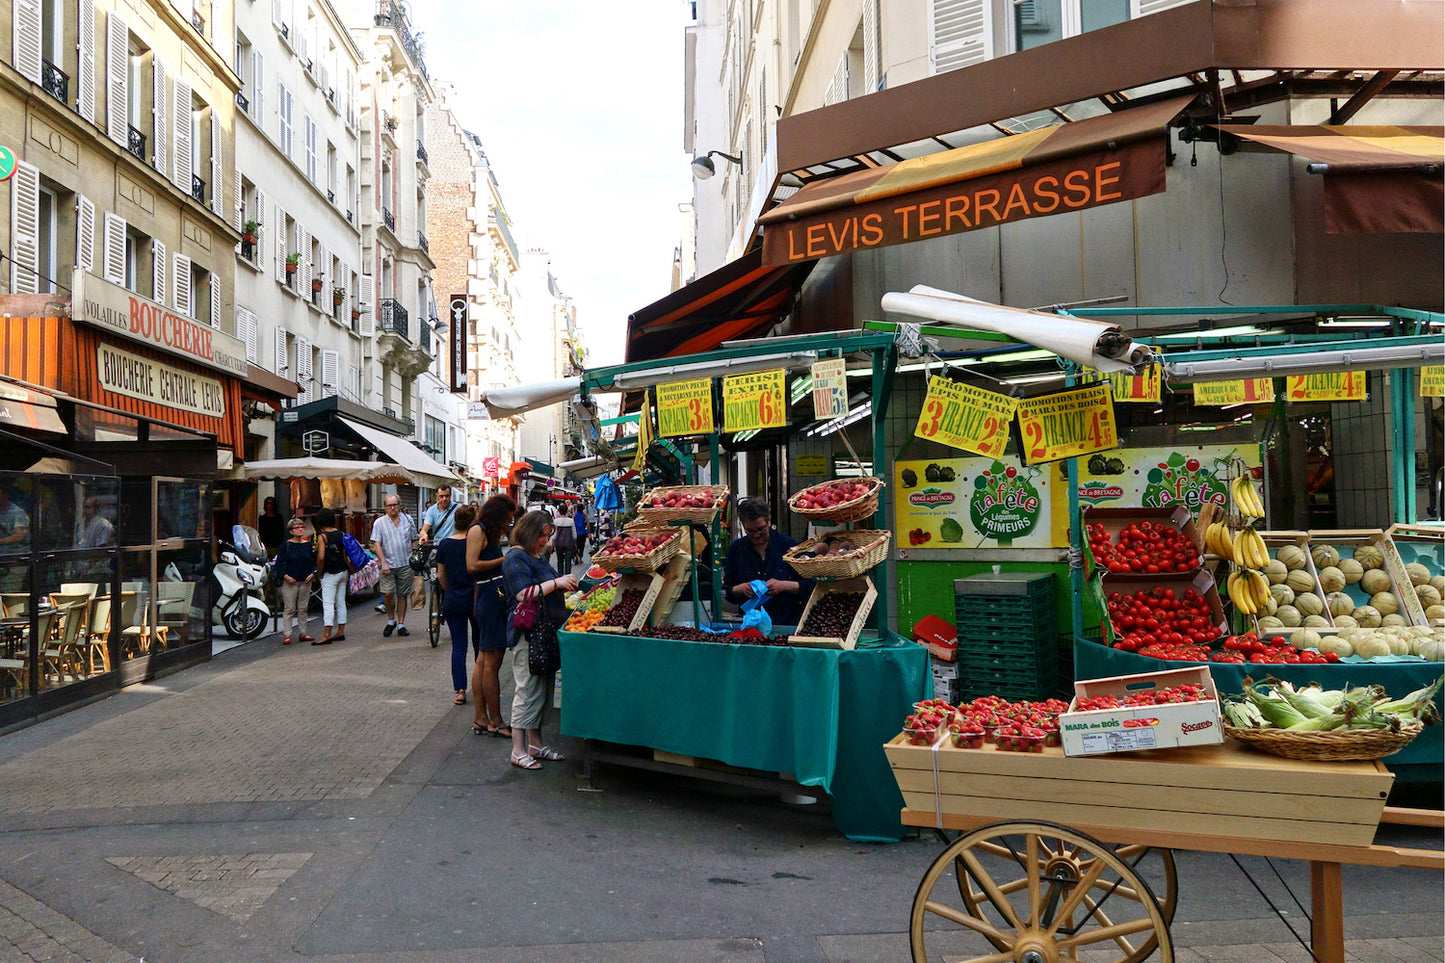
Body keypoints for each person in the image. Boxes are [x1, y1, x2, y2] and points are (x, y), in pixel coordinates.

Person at [502, 509, 576, 770]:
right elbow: (524, 594)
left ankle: (535, 744)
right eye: (543, 536)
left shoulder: (536, 555)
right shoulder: (514, 558)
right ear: (530, 532)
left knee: (543, 690)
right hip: (527, 633)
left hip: (543, 632)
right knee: (527, 689)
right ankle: (517, 749)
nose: (546, 541)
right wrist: (557, 583)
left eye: (547, 536)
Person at [467, 493, 516, 738]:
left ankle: (481, 718)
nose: (508, 524)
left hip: (491, 595)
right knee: (491, 662)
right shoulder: (478, 530)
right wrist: (502, 560)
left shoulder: (489, 531)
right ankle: (495, 720)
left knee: (484, 660)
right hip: (487, 595)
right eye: (506, 519)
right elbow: (472, 565)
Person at [723, 497, 812, 628]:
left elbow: (809, 586)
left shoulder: (789, 546)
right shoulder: (736, 550)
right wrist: (740, 589)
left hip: (787, 624)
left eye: (761, 529)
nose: (756, 535)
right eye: (750, 531)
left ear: (769, 521)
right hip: (751, 627)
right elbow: (729, 591)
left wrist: (784, 585)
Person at [436, 503, 479, 705]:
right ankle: (480, 684)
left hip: (453, 599)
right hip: (475, 599)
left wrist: (449, 590)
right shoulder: (476, 543)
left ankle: (460, 690)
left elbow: (440, 575)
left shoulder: (444, 544)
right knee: (479, 644)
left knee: (458, 646)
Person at [370, 495, 418, 637]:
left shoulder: (408, 519)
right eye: (389, 505)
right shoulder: (379, 523)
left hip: (405, 563)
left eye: (395, 505)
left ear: (399, 505)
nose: (392, 508)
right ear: (385, 507)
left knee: (402, 595)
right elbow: (376, 543)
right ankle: (391, 620)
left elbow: (413, 539)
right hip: (388, 565)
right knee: (389, 593)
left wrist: (414, 556)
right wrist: (383, 562)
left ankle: (401, 624)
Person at [273, 517, 316, 644]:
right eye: (297, 528)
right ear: (291, 531)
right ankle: (287, 634)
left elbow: (313, 562)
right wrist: (285, 576)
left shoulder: (308, 545)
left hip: (305, 580)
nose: (300, 529)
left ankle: (303, 632)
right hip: (290, 581)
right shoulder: (286, 545)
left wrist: (312, 573)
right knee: (289, 608)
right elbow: (279, 563)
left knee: (303, 607)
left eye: (302, 527)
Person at [312, 508, 350, 645]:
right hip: (343, 571)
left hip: (330, 573)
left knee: (328, 604)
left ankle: (326, 634)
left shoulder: (322, 537)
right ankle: (340, 631)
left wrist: (320, 572)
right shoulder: (340, 533)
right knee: (340, 602)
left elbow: (321, 557)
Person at [552, 505, 576, 575]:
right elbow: (574, 535)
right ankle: (568, 576)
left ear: (559, 511)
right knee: (568, 561)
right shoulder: (571, 521)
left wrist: (552, 545)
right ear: (566, 511)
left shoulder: (556, 521)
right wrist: (575, 544)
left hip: (559, 543)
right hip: (568, 543)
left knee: (560, 560)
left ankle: (560, 575)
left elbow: (554, 535)